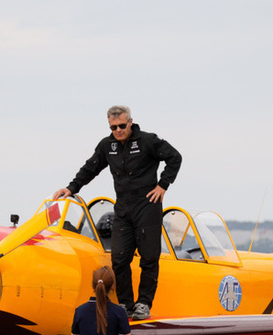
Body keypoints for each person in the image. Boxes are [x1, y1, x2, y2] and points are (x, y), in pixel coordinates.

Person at [53, 105, 182, 320]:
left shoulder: (148, 141)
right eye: (113, 127)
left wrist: (163, 185)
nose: (118, 130)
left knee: (149, 258)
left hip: (147, 205)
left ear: (130, 122)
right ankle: (125, 304)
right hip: (123, 207)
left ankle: (143, 303)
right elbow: (90, 168)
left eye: (122, 125)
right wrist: (71, 188)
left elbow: (175, 157)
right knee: (119, 259)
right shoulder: (107, 145)